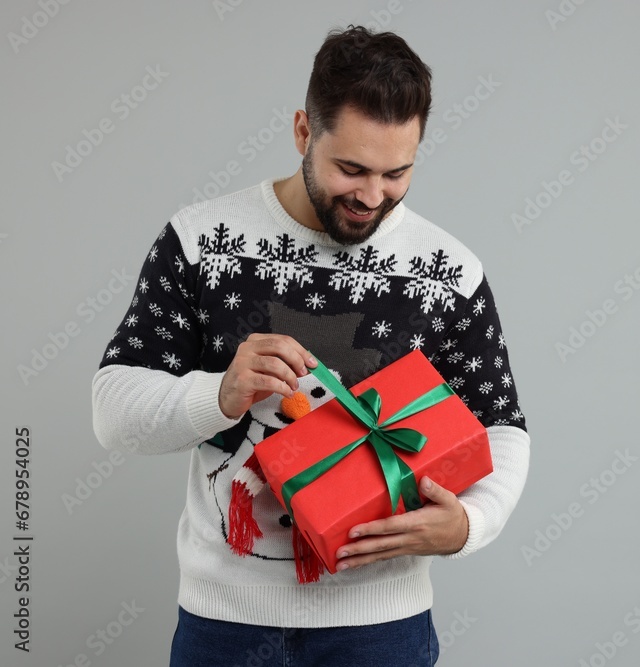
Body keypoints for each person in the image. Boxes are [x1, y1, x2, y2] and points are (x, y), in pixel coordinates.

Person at [90, 25, 530, 667]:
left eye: (397, 172)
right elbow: (112, 412)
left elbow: (502, 426)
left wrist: (472, 524)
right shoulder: (200, 240)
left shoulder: (449, 271)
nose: (372, 197)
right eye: (351, 168)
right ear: (303, 131)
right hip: (224, 627)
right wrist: (219, 393)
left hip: (382, 631)